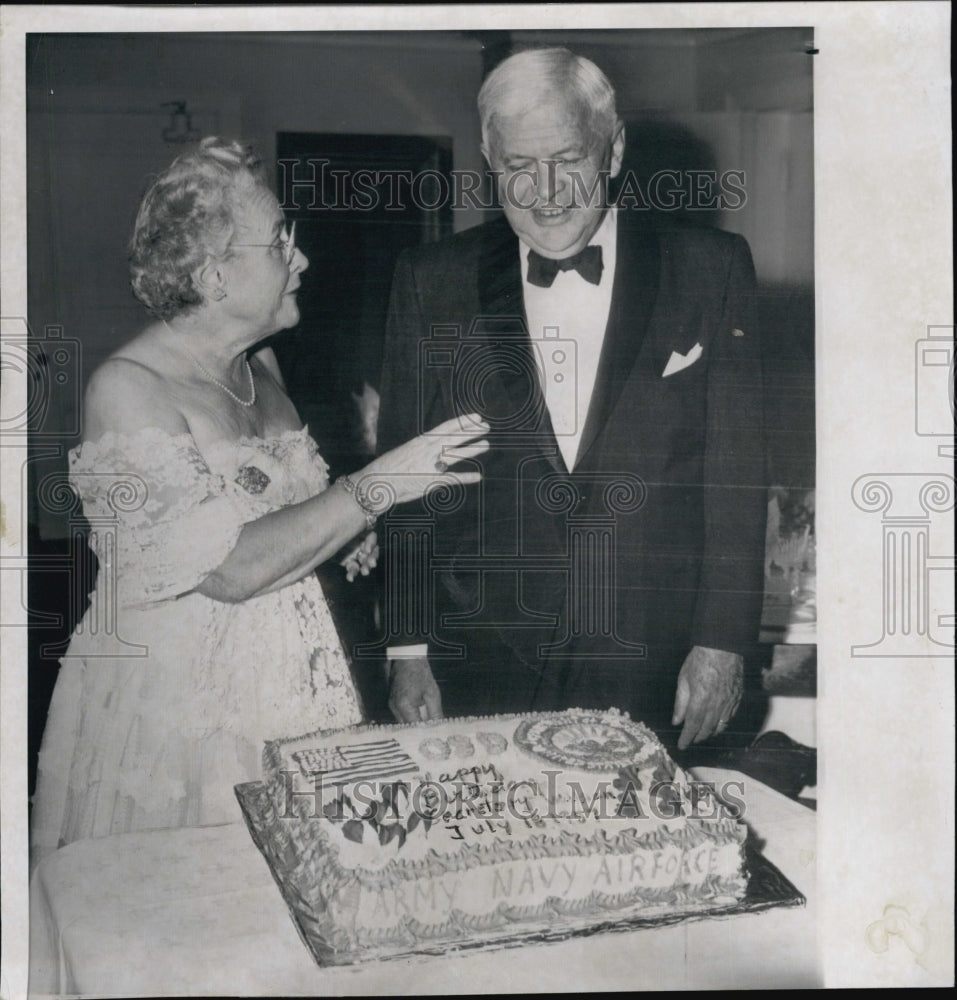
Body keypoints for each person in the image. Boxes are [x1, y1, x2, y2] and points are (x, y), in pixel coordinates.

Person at [30, 137, 487, 865]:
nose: (300, 259)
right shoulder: (129, 390)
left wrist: (340, 533)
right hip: (187, 711)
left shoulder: (260, 364)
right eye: (280, 243)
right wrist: (375, 488)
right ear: (215, 277)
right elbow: (231, 568)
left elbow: (284, 514)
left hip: (293, 679)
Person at [377, 48, 768, 752]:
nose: (545, 191)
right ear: (490, 164)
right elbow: (404, 488)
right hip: (482, 652)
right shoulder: (428, 279)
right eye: (518, 167)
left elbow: (736, 480)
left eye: (566, 159)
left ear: (612, 151)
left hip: (653, 653)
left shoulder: (709, 269)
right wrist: (407, 652)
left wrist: (722, 644)